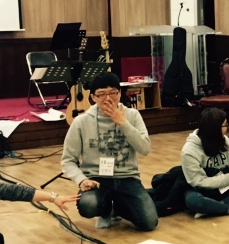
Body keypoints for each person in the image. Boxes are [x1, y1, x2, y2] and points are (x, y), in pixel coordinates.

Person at [61, 72, 158, 231]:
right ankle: (105, 210)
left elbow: (145, 148)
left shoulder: (132, 115)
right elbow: (68, 160)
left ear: (119, 93)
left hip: (127, 177)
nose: (108, 98)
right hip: (96, 178)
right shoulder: (81, 121)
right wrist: (81, 180)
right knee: (88, 205)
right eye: (101, 94)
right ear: (93, 97)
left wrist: (123, 123)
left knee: (148, 222)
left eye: (113, 93)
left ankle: (118, 206)